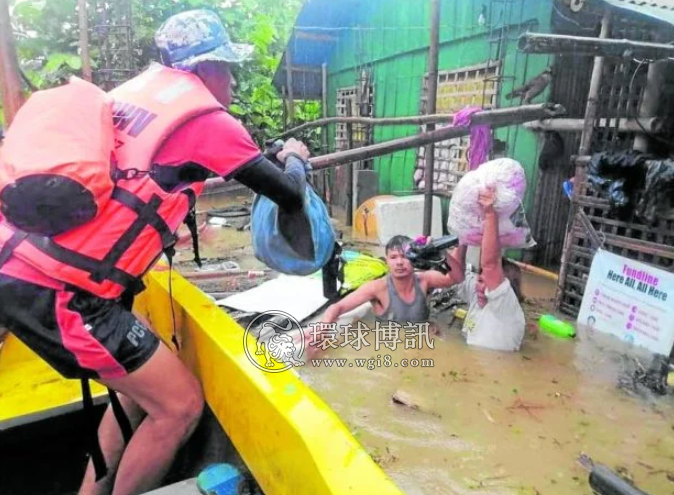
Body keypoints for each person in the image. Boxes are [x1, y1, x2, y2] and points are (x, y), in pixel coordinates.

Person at [0, 9, 316, 495]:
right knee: (181, 405)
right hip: (64, 294)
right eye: (228, 68)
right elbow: (290, 196)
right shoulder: (209, 122)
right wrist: (295, 156)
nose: (230, 80)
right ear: (206, 69)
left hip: (21, 264)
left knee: (138, 384)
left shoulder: (130, 96)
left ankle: (92, 491)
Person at [318, 235, 465, 329]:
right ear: (386, 261)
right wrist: (321, 330)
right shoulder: (377, 288)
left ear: (413, 258)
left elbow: (456, 278)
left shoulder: (424, 280)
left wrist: (443, 253)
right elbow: (337, 307)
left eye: (404, 257)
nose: (399, 262)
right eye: (393, 257)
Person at [451, 186, 526, 352]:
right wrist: (464, 236)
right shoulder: (478, 296)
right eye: (480, 280)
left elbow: (490, 264)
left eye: (488, 282)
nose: (479, 286)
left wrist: (491, 213)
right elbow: (457, 276)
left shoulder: (505, 305)